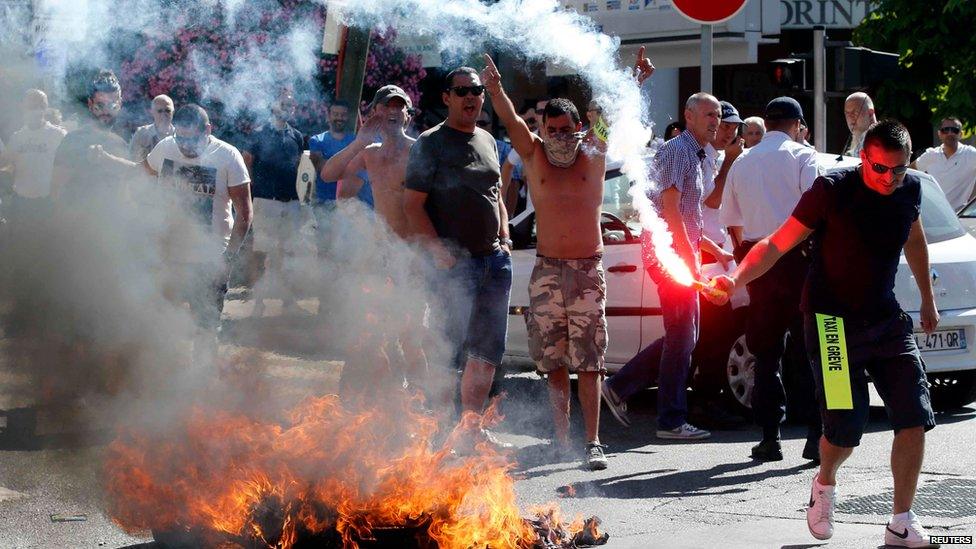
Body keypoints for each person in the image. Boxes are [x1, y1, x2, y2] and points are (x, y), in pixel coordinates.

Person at [708, 120, 940, 548]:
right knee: (845, 426)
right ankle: (825, 483)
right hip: (831, 322)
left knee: (914, 416)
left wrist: (927, 297)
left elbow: (915, 240)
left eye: (899, 169)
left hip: (885, 318)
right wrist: (734, 280)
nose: (889, 179)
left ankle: (901, 521)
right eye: (879, 169)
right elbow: (776, 244)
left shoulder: (910, 191)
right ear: (863, 159)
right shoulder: (832, 191)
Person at [481, 49, 652, 469]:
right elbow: (512, 122)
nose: (557, 136)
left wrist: (634, 80)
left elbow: (613, 115)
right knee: (554, 361)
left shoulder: (592, 154)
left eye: (564, 129)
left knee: (590, 362)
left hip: (586, 270)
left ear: (579, 128)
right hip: (546, 272)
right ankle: (562, 440)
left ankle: (592, 442)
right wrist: (496, 89)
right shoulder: (534, 155)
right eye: (550, 128)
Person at [601, 92, 729, 440]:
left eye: (717, 115)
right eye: (708, 114)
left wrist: (716, 251)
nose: (714, 121)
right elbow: (671, 212)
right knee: (682, 338)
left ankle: (618, 386)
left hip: (680, 256)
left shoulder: (697, 155)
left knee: (684, 336)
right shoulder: (677, 150)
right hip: (670, 258)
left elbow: (690, 217)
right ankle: (670, 420)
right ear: (688, 116)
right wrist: (688, 261)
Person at [92, 104, 252, 366]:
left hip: (209, 259)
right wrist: (106, 159)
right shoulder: (166, 147)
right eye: (181, 137)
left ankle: (202, 386)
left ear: (207, 130)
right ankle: (163, 384)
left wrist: (229, 258)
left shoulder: (227, 156)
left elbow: (245, 213)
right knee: (159, 321)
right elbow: (139, 171)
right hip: (167, 255)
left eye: (192, 138)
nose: (185, 145)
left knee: (205, 329)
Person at [404, 66, 512, 441]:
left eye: (477, 90)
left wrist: (505, 236)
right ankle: (435, 432)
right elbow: (412, 205)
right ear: (446, 97)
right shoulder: (430, 143)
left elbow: (495, 194)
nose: (471, 96)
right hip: (454, 266)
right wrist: (437, 249)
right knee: (447, 350)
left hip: (493, 262)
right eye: (462, 90)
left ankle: (470, 429)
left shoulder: (488, 140)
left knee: (486, 352)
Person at [721, 97, 824, 463]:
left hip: (758, 258)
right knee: (811, 351)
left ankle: (769, 437)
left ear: (767, 122)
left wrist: (745, 260)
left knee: (765, 352)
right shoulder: (803, 157)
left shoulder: (743, 161)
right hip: (798, 256)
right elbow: (817, 210)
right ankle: (816, 437)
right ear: (797, 125)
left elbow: (731, 221)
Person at [319, 84, 430, 395]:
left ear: (408, 116)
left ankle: (419, 406)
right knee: (372, 331)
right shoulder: (369, 154)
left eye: (400, 107)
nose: (393, 111)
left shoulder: (420, 150)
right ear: (375, 114)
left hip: (413, 255)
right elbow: (330, 175)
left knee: (412, 335)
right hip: (380, 257)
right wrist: (359, 142)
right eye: (386, 106)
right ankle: (374, 401)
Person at [243, 89, 305, 317]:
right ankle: (257, 303)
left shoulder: (297, 136)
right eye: (283, 104)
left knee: (287, 253)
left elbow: (300, 168)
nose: (287, 108)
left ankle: (286, 301)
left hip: (291, 203)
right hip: (265, 201)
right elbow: (246, 162)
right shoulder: (259, 133)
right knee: (262, 252)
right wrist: (251, 194)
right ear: (274, 106)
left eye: (291, 105)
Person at [51, 69, 129, 201]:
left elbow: (124, 192)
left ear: (120, 104)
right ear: (90, 104)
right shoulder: (73, 140)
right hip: (76, 219)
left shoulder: (120, 144)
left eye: (112, 105)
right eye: (100, 105)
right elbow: (56, 190)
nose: (106, 111)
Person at [0, 89, 66, 207]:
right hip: (20, 201)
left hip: (47, 202)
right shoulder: (17, 137)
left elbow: (67, 166)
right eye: (31, 105)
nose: (35, 109)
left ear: (45, 107)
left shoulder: (58, 135)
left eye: (40, 105)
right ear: (23, 107)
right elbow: (6, 162)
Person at [912, 116, 976, 210]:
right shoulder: (931, 154)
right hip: (935, 215)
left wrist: (971, 204)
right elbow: (908, 172)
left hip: (960, 217)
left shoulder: (970, 154)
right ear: (939, 134)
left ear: (961, 134)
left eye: (955, 130)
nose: (950, 133)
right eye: (945, 130)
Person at [308, 101, 354, 205]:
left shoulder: (355, 141)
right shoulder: (316, 141)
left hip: (348, 204)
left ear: (347, 117)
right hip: (323, 203)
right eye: (336, 114)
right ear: (329, 116)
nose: (340, 118)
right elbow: (323, 169)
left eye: (343, 115)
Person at [129, 95, 175, 162]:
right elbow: (132, 160)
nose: (164, 114)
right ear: (152, 112)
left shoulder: (179, 136)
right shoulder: (142, 134)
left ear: (173, 112)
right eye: (160, 111)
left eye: (167, 111)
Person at [844, 92, 876, 157]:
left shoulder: (882, 141)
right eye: (847, 113)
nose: (850, 117)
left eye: (855, 112)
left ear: (870, 113)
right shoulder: (857, 143)